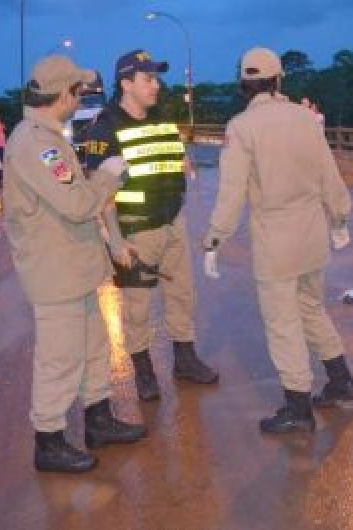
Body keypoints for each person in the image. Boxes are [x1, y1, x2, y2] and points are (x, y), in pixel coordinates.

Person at [202, 47, 353, 434]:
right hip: (312, 236)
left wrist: (214, 239)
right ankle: (341, 379)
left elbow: (232, 191)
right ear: (278, 80)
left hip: (276, 241)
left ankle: (298, 407)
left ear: (243, 84)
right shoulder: (307, 119)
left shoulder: (241, 127)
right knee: (311, 309)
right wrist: (339, 218)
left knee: (283, 323)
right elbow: (329, 175)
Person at [3, 55, 146, 473]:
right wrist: (108, 176)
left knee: (93, 349)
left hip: (74, 269)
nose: (81, 97)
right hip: (55, 274)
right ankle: (48, 441)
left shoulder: (50, 137)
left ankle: (97, 420)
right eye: (78, 91)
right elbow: (79, 203)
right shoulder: (38, 144)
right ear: (63, 94)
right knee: (59, 358)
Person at [83, 49, 218, 402]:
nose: (155, 85)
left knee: (181, 296)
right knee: (138, 307)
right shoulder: (105, 127)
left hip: (173, 223)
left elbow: (175, 164)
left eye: (156, 78)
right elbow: (101, 192)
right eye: (148, 78)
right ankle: (143, 369)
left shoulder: (161, 121)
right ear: (126, 83)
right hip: (135, 231)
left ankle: (184, 359)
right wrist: (113, 240)